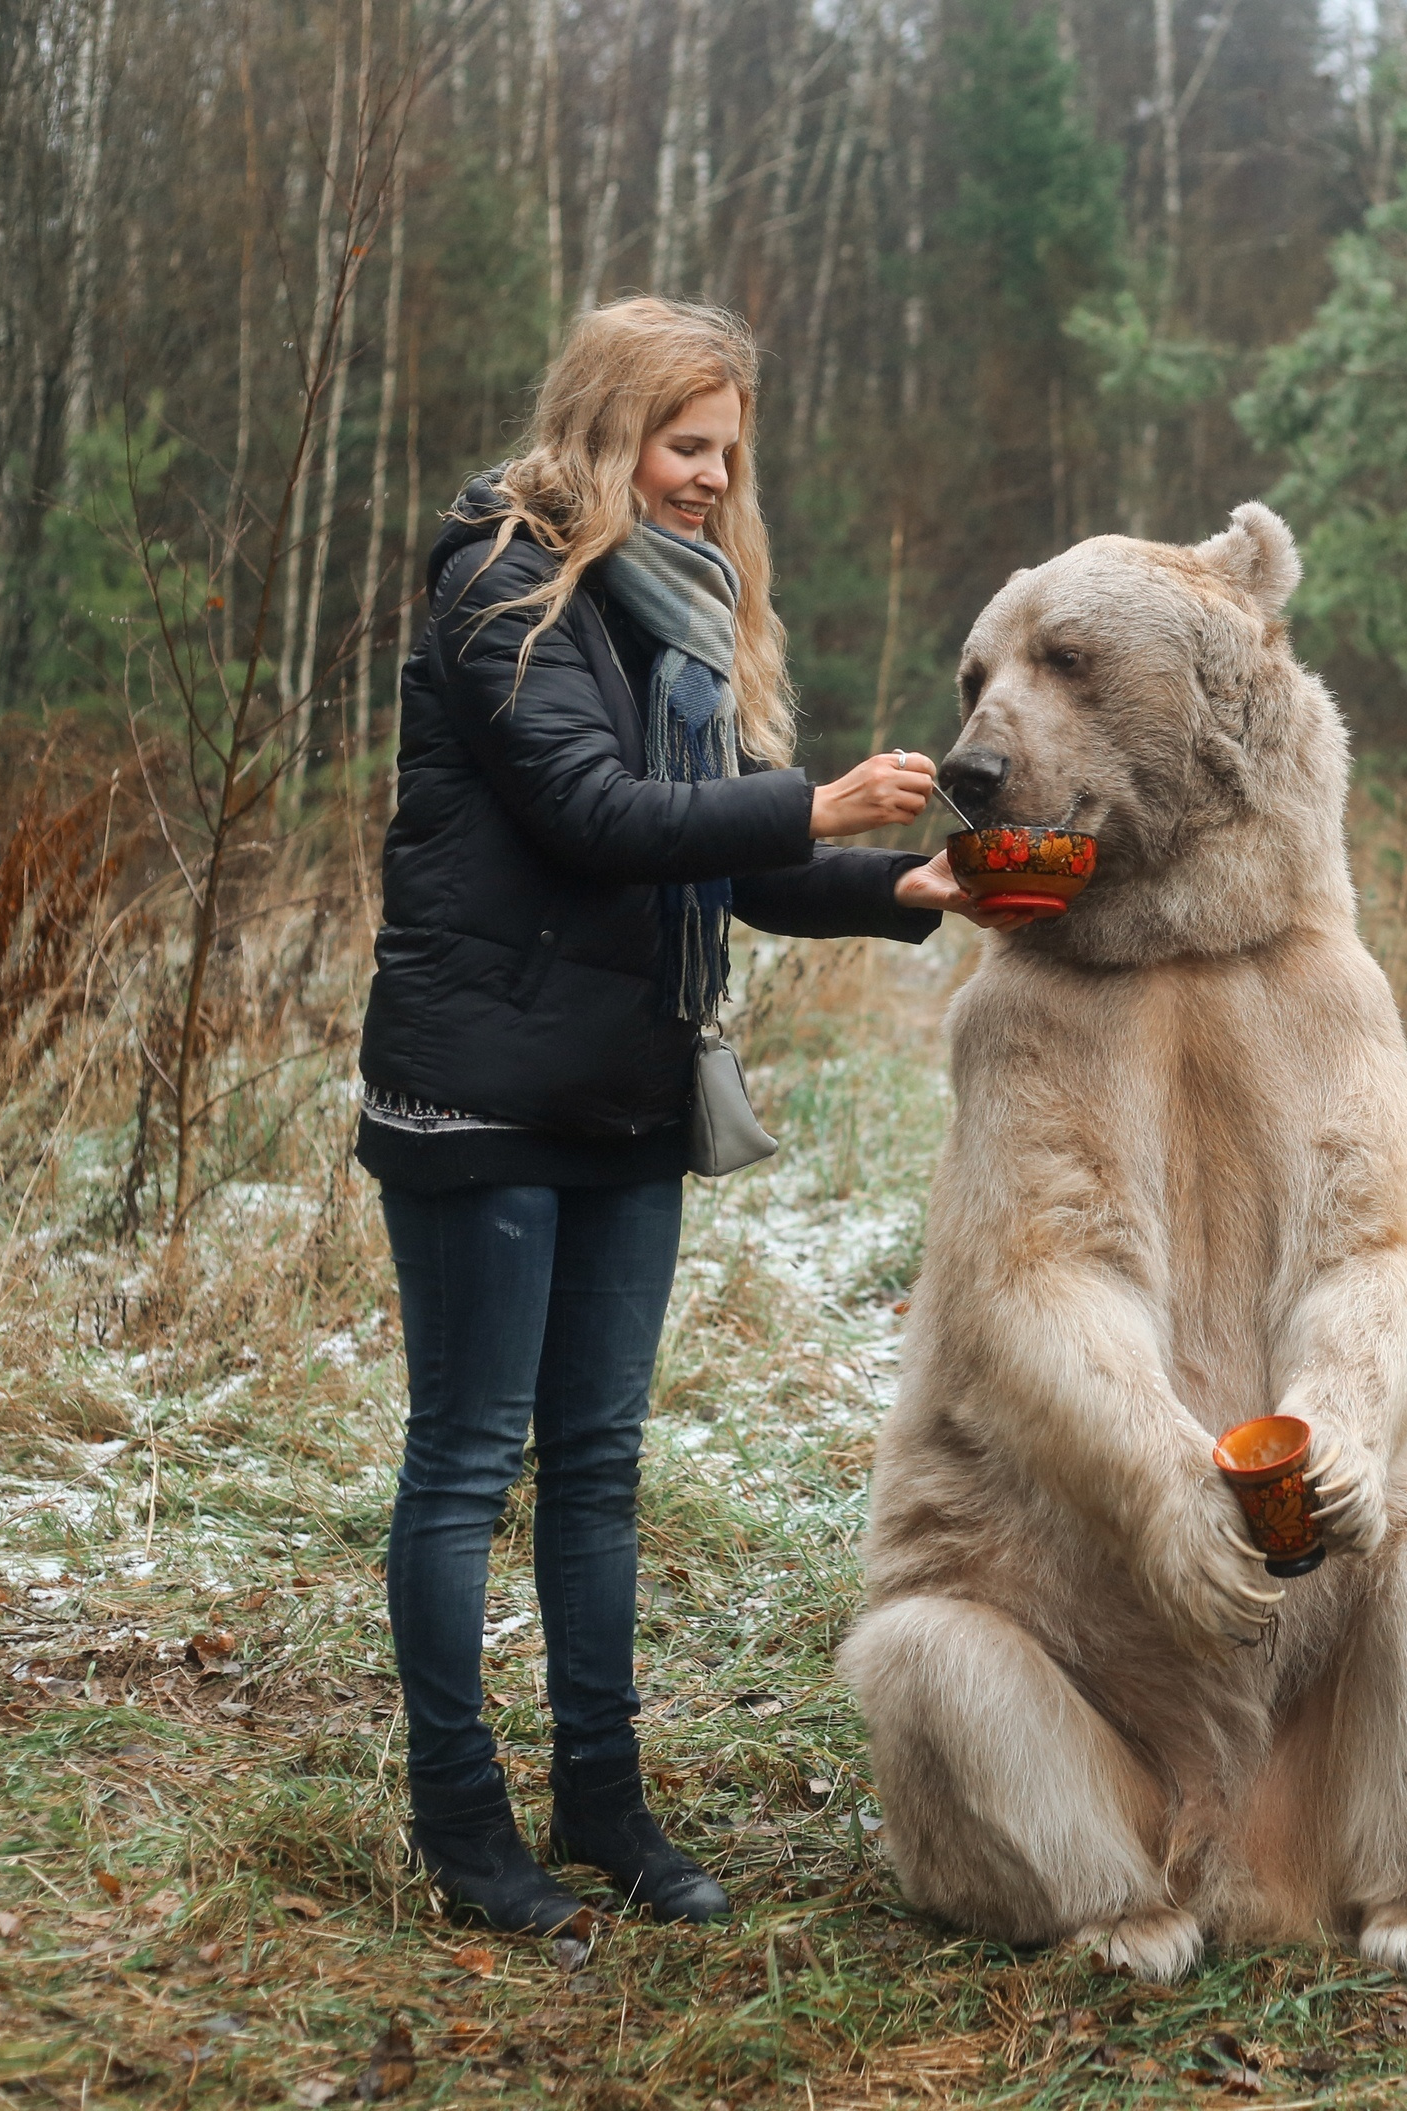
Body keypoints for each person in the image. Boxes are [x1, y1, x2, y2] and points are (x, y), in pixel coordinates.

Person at [354, 297, 1012, 1937]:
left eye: (728, 451)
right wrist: (813, 791)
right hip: (478, 1097)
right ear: (606, 429)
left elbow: (723, 855)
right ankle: (462, 1829)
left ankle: (603, 1805)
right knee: (464, 1466)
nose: (714, 479)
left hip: (627, 1088)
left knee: (593, 1465)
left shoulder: (683, 609)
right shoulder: (503, 579)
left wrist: (896, 880)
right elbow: (597, 814)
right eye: (685, 444)